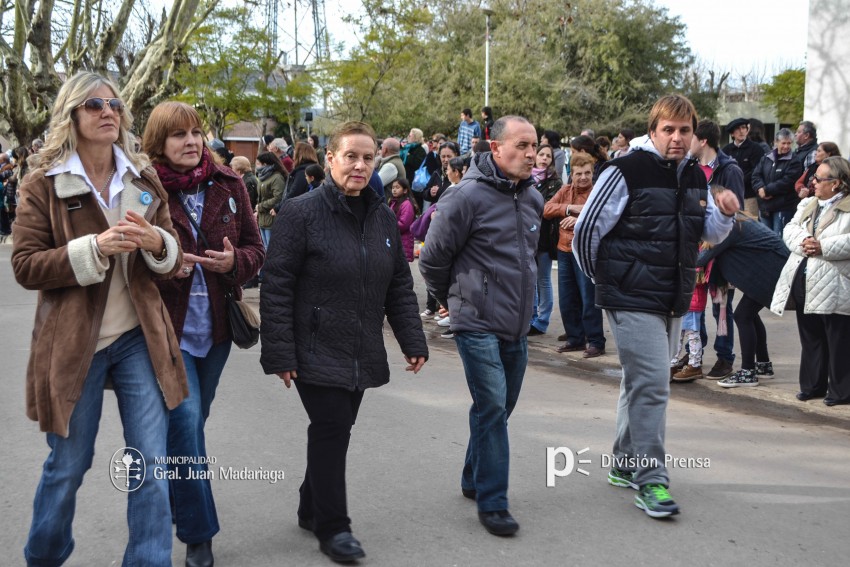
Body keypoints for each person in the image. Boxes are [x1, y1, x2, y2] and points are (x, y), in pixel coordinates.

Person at [11, 71, 186, 566]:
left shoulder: (142, 178)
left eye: (114, 104)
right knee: (69, 464)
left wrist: (158, 244)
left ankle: (148, 560)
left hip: (138, 338)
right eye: (94, 105)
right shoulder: (43, 184)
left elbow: (172, 262)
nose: (108, 112)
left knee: (150, 464)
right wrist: (93, 248)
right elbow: (25, 265)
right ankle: (43, 557)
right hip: (74, 343)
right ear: (71, 115)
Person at [260, 121, 428, 562]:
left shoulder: (382, 215)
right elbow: (276, 285)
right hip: (312, 346)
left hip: (360, 346)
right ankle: (334, 528)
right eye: (350, 156)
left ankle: (310, 504)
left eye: (367, 157)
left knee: (337, 430)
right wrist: (280, 351)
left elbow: (398, 285)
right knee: (332, 427)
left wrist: (413, 339)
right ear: (329, 158)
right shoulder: (301, 213)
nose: (359, 165)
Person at [573, 94, 739, 518]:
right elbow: (587, 230)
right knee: (654, 384)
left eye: (686, 130)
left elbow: (708, 235)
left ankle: (625, 463)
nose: (678, 138)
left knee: (640, 381)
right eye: (669, 129)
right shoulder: (625, 168)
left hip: (671, 297)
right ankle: (652, 481)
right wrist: (605, 281)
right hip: (629, 297)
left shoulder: (697, 178)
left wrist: (722, 215)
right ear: (654, 131)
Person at [142, 101, 265, 567]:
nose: (191, 142)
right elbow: (129, 262)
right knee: (188, 423)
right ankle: (199, 535)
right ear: (159, 142)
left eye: (196, 132)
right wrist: (164, 262)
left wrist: (237, 263)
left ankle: (181, 495)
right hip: (164, 330)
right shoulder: (143, 189)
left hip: (215, 332)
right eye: (178, 135)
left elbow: (256, 249)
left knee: (190, 426)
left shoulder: (231, 184)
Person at [420, 115, 543, 537]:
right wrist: (456, 302)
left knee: (499, 407)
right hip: (475, 321)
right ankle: (494, 501)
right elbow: (433, 260)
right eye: (522, 146)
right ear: (495, 148)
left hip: (517, 323)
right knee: (491, 406)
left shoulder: (533, 198)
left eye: (535, 146)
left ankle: (473, 477)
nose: (531, 154)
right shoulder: (464, 197)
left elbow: (528, 262)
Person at [771, 156, 850, 406]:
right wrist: (806, 242)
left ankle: (841, 391)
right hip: (805, 278)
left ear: (836, 183)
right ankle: (812, 385)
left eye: (819, 178)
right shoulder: (808, 203)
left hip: (835, 282)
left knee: (838, 340)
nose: (813, 182)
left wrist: (822, 246)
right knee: (810, 336)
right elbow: (789, 229)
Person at [694, 206, 789, 388]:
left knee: (742, 316)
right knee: (750, 315)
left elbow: (700, 259)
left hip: (772, 270)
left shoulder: (728, 227)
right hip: (772, 268)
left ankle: (748, 372)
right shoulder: (734, 219)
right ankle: (763, 365)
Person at [688, 119, 746, 379]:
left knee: (720, 306)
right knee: (694, 305)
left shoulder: (729, 169)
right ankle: (693, 356)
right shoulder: (690, 168)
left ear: (702, 141)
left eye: (690, 136)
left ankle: (725, 358)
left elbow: (737, 213)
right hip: (695, 247)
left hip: (720, 250)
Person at [544, 152, 606, 358]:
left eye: (587, 173)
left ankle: (596, 341)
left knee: (589, 299)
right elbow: (546, 209)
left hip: (586, 252)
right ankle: (575, 338)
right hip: (564, 251)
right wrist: (570, 208)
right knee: (567, 298)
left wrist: (581, 217)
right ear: (571, 174)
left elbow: (604, 216)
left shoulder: (598, 192)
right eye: (579, 173)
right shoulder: (565, 190)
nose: (583, 177)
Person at [529, 144, 564, 336]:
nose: (543, 158)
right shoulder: (525, 178)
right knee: (530, 280)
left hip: (544, 237)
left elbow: (547, 209)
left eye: (547, 156)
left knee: (543, 279)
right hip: (527, 237)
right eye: (541, 154)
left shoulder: (554, 182)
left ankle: (542, 321)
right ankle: (531, 317)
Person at [753, 128, 803, 236]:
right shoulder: (766, 157)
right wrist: (760, 188)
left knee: (779, 238)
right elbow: (756, 175)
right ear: (776, 142)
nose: (786, 146)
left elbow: (787, 181)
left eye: (789, 143)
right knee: (764, 238)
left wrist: (766, 191)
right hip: (765, 206)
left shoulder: (795, 161)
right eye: (783, 143)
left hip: (783, 206)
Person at [722, 118, 768, 217]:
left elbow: (757, 171)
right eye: (738, 129)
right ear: (732, 133)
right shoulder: (726, 150)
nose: (741, 131)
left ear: (747, 130)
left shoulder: (756, 149)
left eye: (744, 128)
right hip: (730, 196)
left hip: (749, 197)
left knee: (749, 226)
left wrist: (738, 179)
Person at [254, 151, 287, 273]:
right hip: (263, 218)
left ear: (266, 164)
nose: (257, 165)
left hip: (272, 218)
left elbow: (278, 197)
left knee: (271, 249)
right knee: (265, 248)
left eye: (259, 163)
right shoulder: (263, 177)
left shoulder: (276, 177)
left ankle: (272, 273)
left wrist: (261, 206)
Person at [388, 177, 418, 262]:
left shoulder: (406, 204)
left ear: (405, 190)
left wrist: (389, 226)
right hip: (395, 239)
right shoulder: (393, 202)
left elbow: (403, 224)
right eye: (393, 187)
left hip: (404, 242)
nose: (394, 190)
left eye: (397, 187)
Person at [423, 141, 460, 209]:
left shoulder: (460, 174)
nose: (446, 160)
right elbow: (425, 193)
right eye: (443, 156)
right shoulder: (437, 173)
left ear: (456, 155)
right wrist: (430, 192)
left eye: (449, 156)